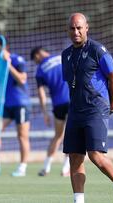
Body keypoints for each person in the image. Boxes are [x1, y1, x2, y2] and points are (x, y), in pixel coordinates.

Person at [61, 13, 113, 203]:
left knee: (95, 155)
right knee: (74, 157)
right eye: (72, 28)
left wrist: (111, 105)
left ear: (86, 28)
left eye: (79, 28)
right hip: (75, 111)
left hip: (95, 109)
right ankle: (79, 200)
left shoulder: (98, 50)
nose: (75, 31)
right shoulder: (65, 55)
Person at [0, 37, 31, 177]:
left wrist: (8, 64)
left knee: (22, 136)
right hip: (6, 104)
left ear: (4, 48)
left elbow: (22, 79)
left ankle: (22, 167)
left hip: (21, 103)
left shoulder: (17, 60)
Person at [30, 47, 70, 177]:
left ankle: (46, 167)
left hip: (57, 105)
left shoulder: (40, 70)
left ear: (37, 55)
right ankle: (66, 169)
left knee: (58, 136)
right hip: (72, 101)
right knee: (71, 136)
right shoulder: (62, 58)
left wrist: (45, 112)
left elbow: (41, 94)